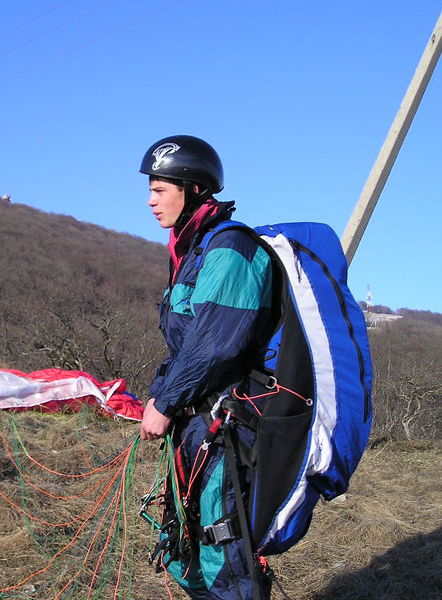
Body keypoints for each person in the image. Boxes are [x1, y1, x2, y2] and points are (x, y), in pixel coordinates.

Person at [138, 135, 275, 600]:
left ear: (193, 188)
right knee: (189, 542)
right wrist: (159, 395)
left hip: (227, 427)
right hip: (196, 425)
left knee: (224, 546)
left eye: (160, 189)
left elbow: (215, 344)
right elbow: (184, 346)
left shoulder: (230, 248)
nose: (150, 200)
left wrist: (167, 402)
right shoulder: (191, 252)